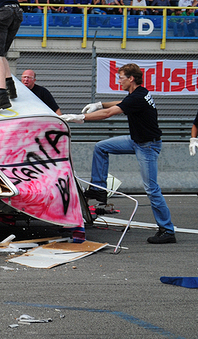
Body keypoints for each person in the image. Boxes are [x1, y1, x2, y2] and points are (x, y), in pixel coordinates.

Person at [61, 63, 176, 244]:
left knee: (151, 189)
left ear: (131, 79)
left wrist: (80, 118)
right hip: (137, 140)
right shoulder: (138, 93)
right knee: (101, 147)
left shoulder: (138, 97)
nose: (119, 81)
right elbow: (117, 104)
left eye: (121, 77)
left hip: (147, 146)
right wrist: (99, 103)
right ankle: (98, 189)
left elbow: (108, 113)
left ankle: (168, 230)